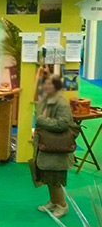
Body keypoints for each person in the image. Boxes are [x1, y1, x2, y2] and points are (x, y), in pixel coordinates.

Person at [33, 75, 74, 219]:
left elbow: (62, 123)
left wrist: (41, 121)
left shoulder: (61, 103)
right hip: (46, 146)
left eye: (49, 84)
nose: (46, 86)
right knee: (48, 177)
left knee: (56, 179)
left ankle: (62, 205)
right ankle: (53, 201)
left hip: (56, 149)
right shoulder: (46, 99)